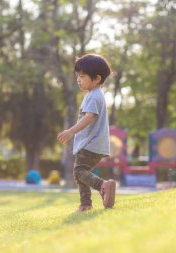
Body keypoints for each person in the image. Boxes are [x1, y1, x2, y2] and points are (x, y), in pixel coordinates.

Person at [57, 53, 116, 212]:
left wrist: (71, 131)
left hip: (91, 144)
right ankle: (85, 205)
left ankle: (102, 186)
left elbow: (89, 117)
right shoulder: (96, 95)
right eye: (77, 76)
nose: (78, 79)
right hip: (95, 144)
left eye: (82, 76)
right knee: (81, 173)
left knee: (79, 171)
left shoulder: (93, 96)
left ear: (96, 79)